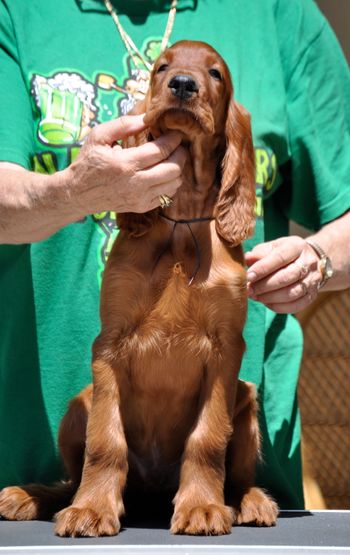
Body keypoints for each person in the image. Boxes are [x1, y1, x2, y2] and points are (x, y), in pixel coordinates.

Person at [0, 0, 349, 511]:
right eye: (169, 74)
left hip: (226, 481)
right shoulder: (16, 10)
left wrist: (318, 258)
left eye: (208, 77)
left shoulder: (281, 14)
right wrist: (77, 192)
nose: (185, 83)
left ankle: (228, 483)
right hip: (48, 465)